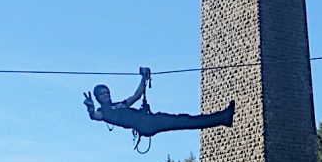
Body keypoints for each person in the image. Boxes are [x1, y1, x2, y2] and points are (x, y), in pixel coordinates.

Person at [83, 68, 234, 136]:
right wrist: (90, 108)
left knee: (184, 120)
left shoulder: (119, 104)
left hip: (148, 120)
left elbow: (136, 96)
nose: (106, 94)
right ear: (97, 98)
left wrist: (143, 78)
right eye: (102, 94)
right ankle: (223, 118)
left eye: (107, 91)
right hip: (145, 124)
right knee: (183, 120)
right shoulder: (103, 113)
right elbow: (94, 116)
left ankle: (222, 118)